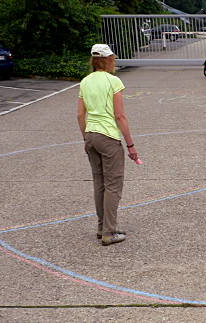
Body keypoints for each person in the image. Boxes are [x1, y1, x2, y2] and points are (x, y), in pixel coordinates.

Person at [77, 44, 136, 246]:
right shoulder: (113, 82)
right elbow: (119, 115)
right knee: (113, 185)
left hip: (91, 135)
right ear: (108, 60)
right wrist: (130, 145)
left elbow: (79, 114)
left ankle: (103, 226)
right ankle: (109, 233)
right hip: (108, 137)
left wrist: (86, 136)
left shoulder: (85, 82)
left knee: (99, 183)